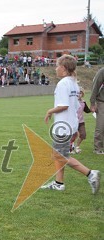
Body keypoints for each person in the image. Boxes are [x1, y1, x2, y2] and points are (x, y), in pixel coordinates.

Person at [41, 55, 100, 194]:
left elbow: (64, 106)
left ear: (63, 68)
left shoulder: (63, 83)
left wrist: (49, 111)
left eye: (57, 66)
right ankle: (59, 183)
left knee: (60, 155)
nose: (55, 69)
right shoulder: (73, 82)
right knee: (60, 154)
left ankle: (90, 173)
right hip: (71, 123)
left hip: (63, 125)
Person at [70, 88, 90, 154]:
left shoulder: (83, 102)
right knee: (73, 136)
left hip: (81, 122)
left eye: (80, 93)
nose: (79, 94)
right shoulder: (72, 102)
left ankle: (77, 147)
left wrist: (94, 109)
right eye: (78, 93)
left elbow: (87, 110)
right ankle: (70, 148)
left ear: (82, 94)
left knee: (83, 135)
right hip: (73, 122)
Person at [89, 67, 104, 155]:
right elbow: (95, 87)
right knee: (101, 126)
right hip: (102, 102)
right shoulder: (102, 71)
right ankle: (98, 148)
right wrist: (92, 103)